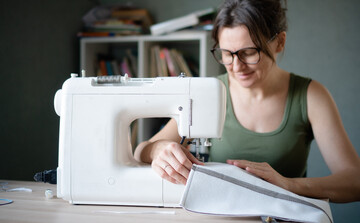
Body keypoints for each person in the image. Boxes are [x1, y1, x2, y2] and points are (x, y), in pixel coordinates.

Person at [134, 0, 360, 203]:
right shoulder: (209, 94)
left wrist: (287, 184)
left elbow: (354, 182)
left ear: (279, 42)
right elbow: (140, 152)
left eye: (249, 52)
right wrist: (160, 150)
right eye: (226, 53)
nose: (237, 66)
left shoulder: (311, 96)